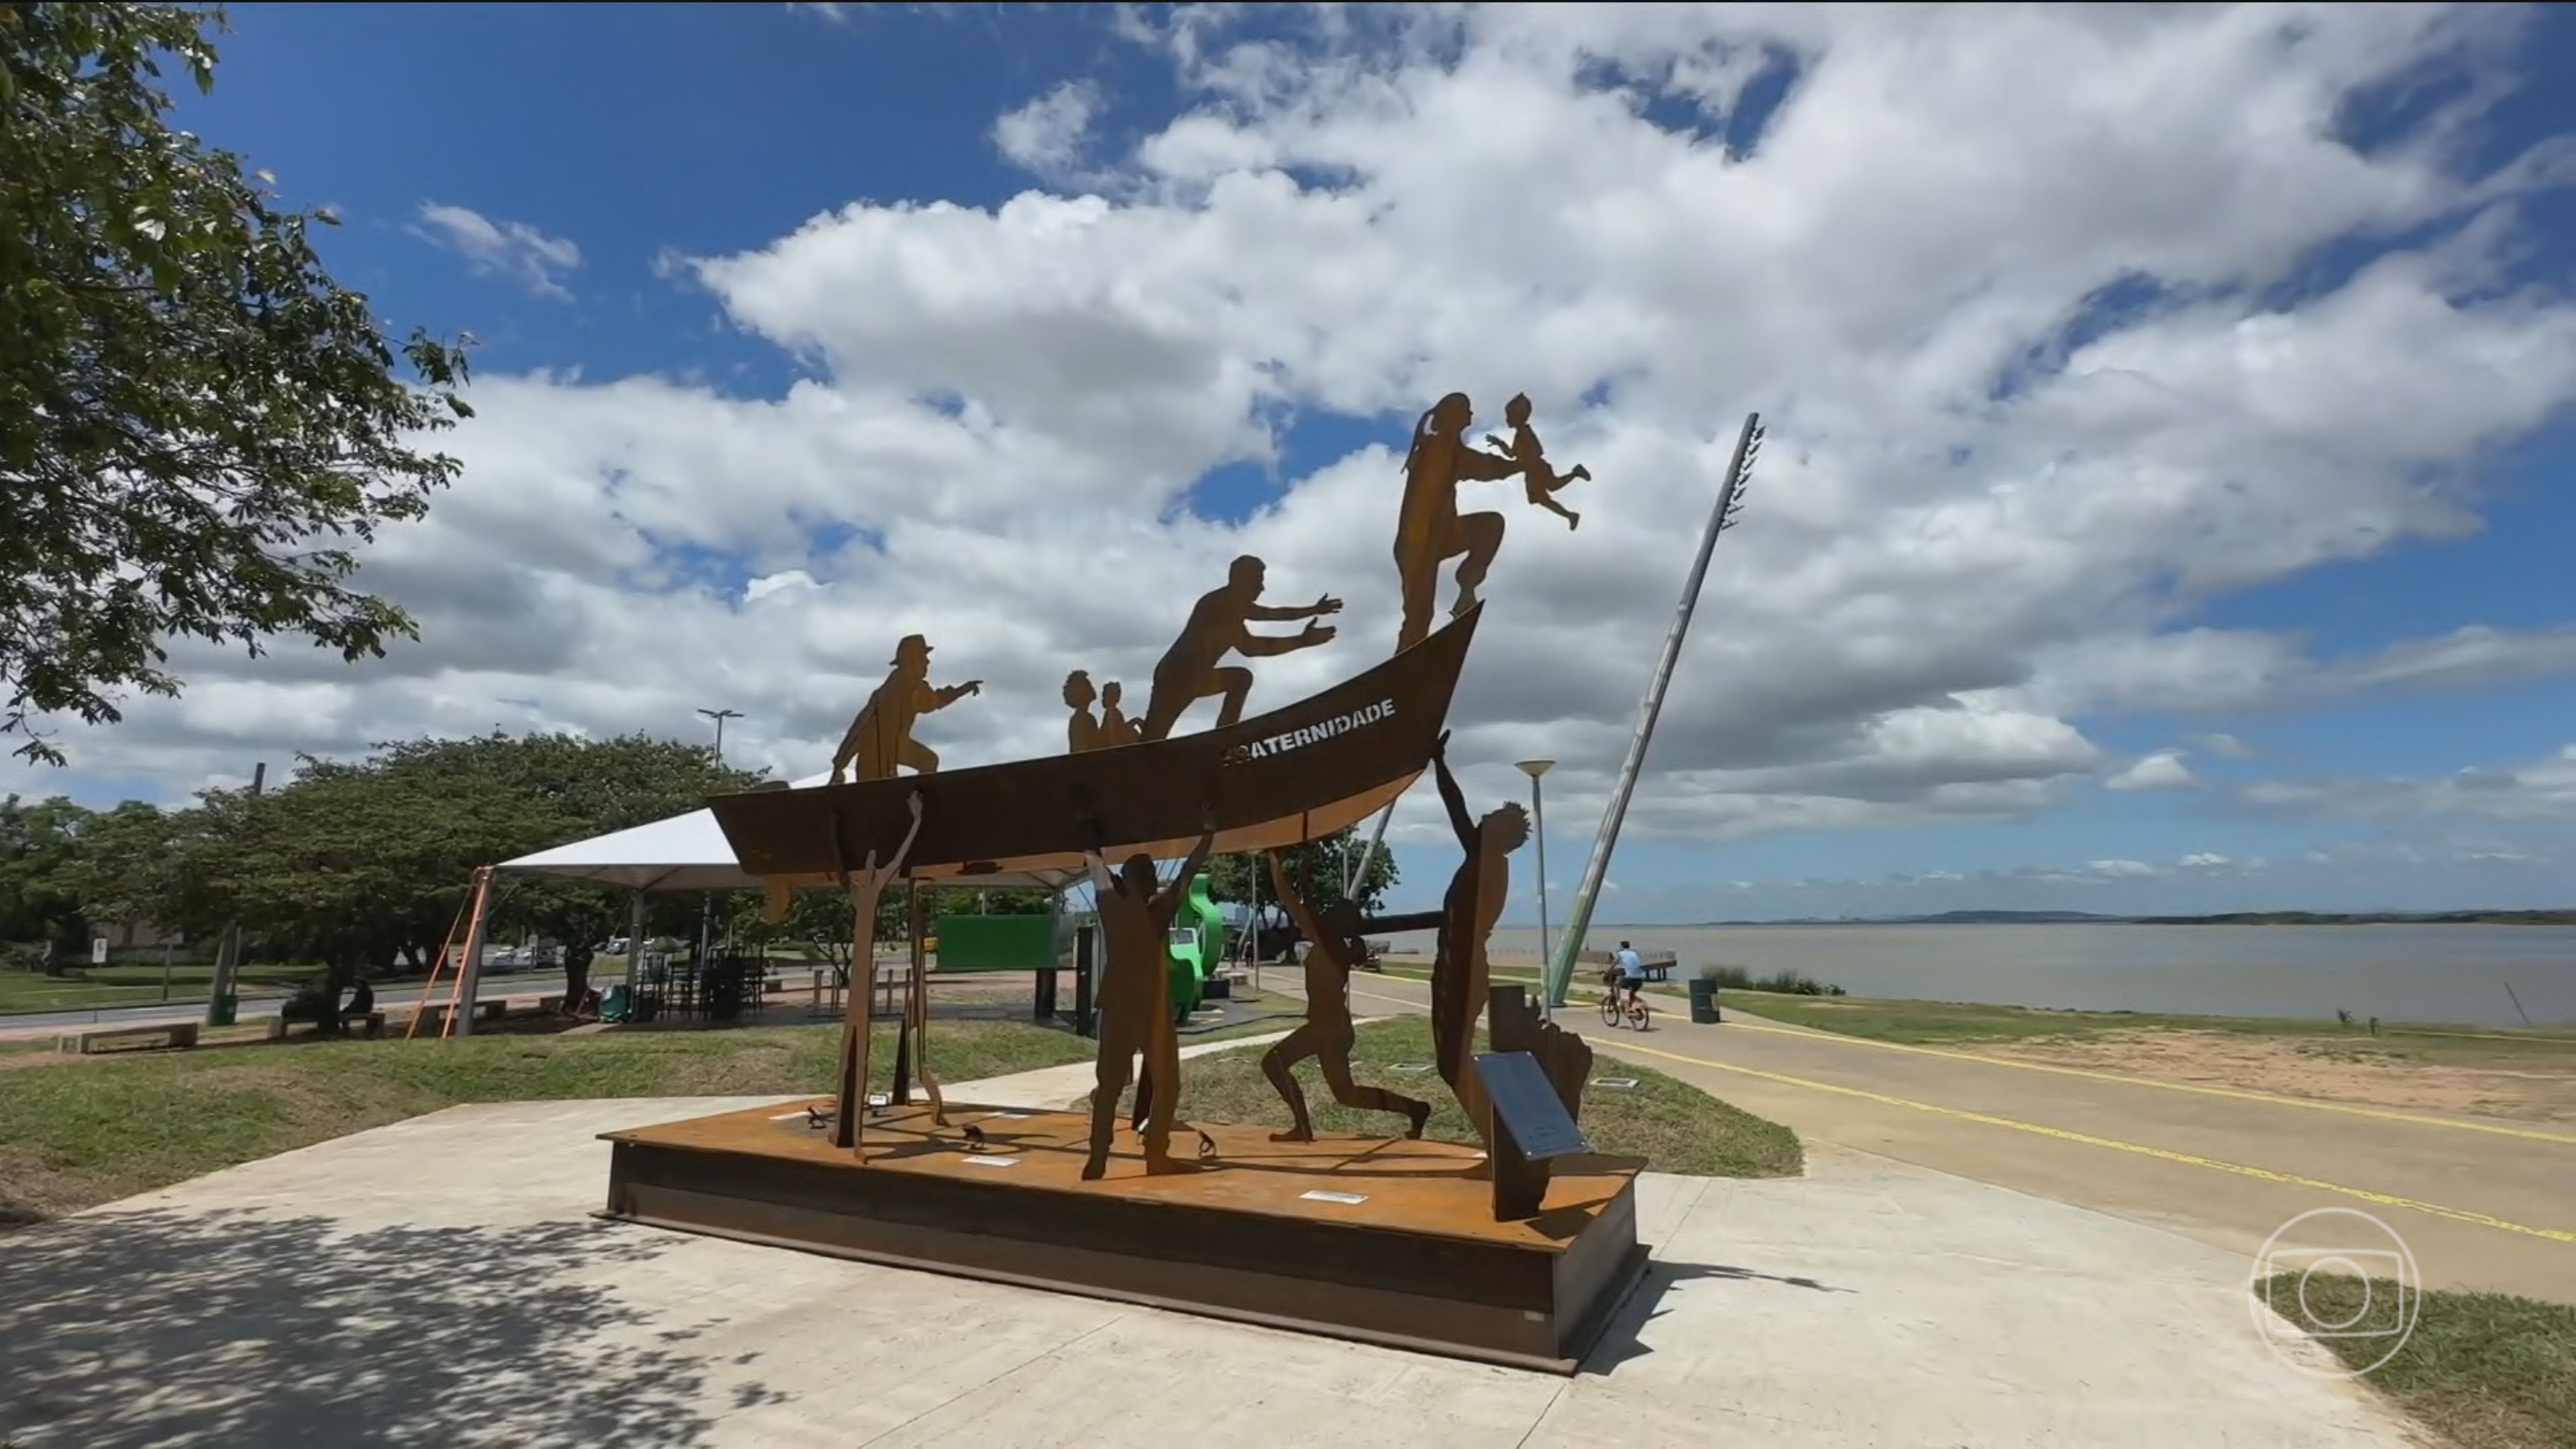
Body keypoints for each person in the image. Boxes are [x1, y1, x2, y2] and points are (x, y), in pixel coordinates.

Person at [1426, 731, 1529, 1152]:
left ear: (1500, 835)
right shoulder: (1488, 865)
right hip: (1459, 964)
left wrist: (1439, 762)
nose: (1482, 819)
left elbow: (1454, 807)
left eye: (1493, 819)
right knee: (1454, 1062)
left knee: (1454, 1063)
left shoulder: (1485, 858)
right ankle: (1501, 1142)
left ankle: (1505, 1143)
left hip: (1464, 968)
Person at [1136, 555, 1340, 742]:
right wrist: (1309, 620)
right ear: (1240, 580)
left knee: (1240, 679)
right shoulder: (1221, 604)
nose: (1262, 588)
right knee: (1152, 741)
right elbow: (1266, 620)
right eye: (1258, 581)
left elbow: (1252, 644)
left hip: (1192, 677)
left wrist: (1303, 638)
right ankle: (1224, 741)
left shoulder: (1230, 609)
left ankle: (1223, 741)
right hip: (1177, 676)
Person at [1393, 392, 1525, 653]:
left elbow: (1481, 465)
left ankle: (1467, 585)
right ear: (1454, 416)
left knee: (1489, 526)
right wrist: (1521, 466)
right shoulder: (1438, 451)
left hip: (1443, 535)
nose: (1472, 416)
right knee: (1419, 616)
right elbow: (1481, 466)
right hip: (1417, 546)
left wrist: (1520, 466)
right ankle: (1401, 669)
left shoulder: (1446, 449)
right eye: (1467, 410)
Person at [830, 634, 981, 784]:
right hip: (877, 754)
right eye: (923, 657)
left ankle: (920, 798)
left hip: (890, 747)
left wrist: (841, 762)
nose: (927, 662)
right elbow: (863, 724)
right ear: (913, 659)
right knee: (922, 765)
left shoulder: (897, 686)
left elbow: (860, 725)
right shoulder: (904, 686)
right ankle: (921, 798)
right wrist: (840, 764)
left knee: (927, 761)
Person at [1487, 392, 1589, 531]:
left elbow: (1535, 451)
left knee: (1547, 493)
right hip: (1532, 471)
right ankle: (1571, 511)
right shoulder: (1520, 434)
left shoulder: (1525, 433)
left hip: (1536, 469)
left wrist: (1525, 463)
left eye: (1509, 416)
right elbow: (1512, 454)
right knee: (1547, 493)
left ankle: (1574, 485)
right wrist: (1500, 443)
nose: (1507, 420)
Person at [1613, 941, 1648, 1011]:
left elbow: (1615, 963)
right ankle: (1632, 1008)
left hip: (1629, 978)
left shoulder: (1620, 954)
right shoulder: (1634, 954)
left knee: (1617, 986)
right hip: (1639, 980)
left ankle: (1618, 1002)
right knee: (1632, 992)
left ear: (1621, 947)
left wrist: (1610, 970)